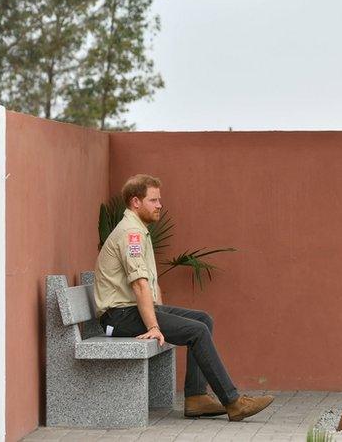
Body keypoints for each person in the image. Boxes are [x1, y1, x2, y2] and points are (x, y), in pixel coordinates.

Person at [94, 174, 273, 421]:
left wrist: (160, 314)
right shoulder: (130, 234)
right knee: (197, 331)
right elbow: (139, 285)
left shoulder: (138, 230)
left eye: (160, 200)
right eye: (153, 200)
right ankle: (233, 403)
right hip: (118, 317)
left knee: (203, 319)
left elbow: (146, 285)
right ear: (135, 202)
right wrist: (155, 326)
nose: (160, 205)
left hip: (129, 311)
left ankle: (196, 398)